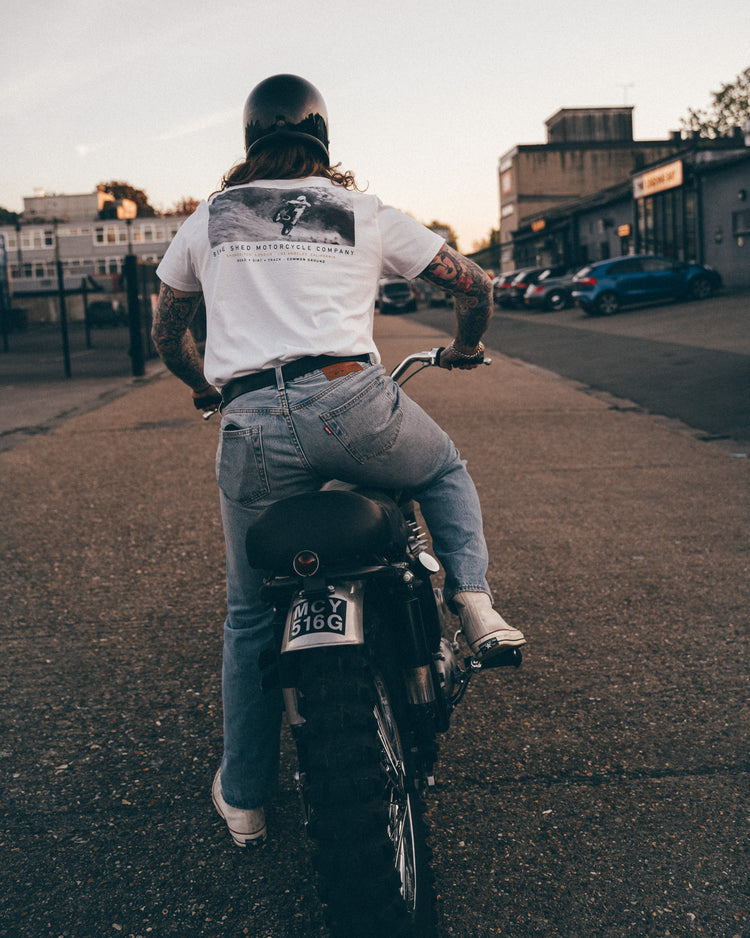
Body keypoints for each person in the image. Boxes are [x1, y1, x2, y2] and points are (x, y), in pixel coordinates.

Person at [152, 74, 526, 849]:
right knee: (443, 470)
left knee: (251, 613)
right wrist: (466, 346)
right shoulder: (362, 211)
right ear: (324, 138)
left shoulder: (212, 219)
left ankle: (248, 798)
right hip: (352, 399)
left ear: (248, 140)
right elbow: (474, 282)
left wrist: (202, 388)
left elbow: (168, 328)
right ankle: (475, 602)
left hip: (251, 420)